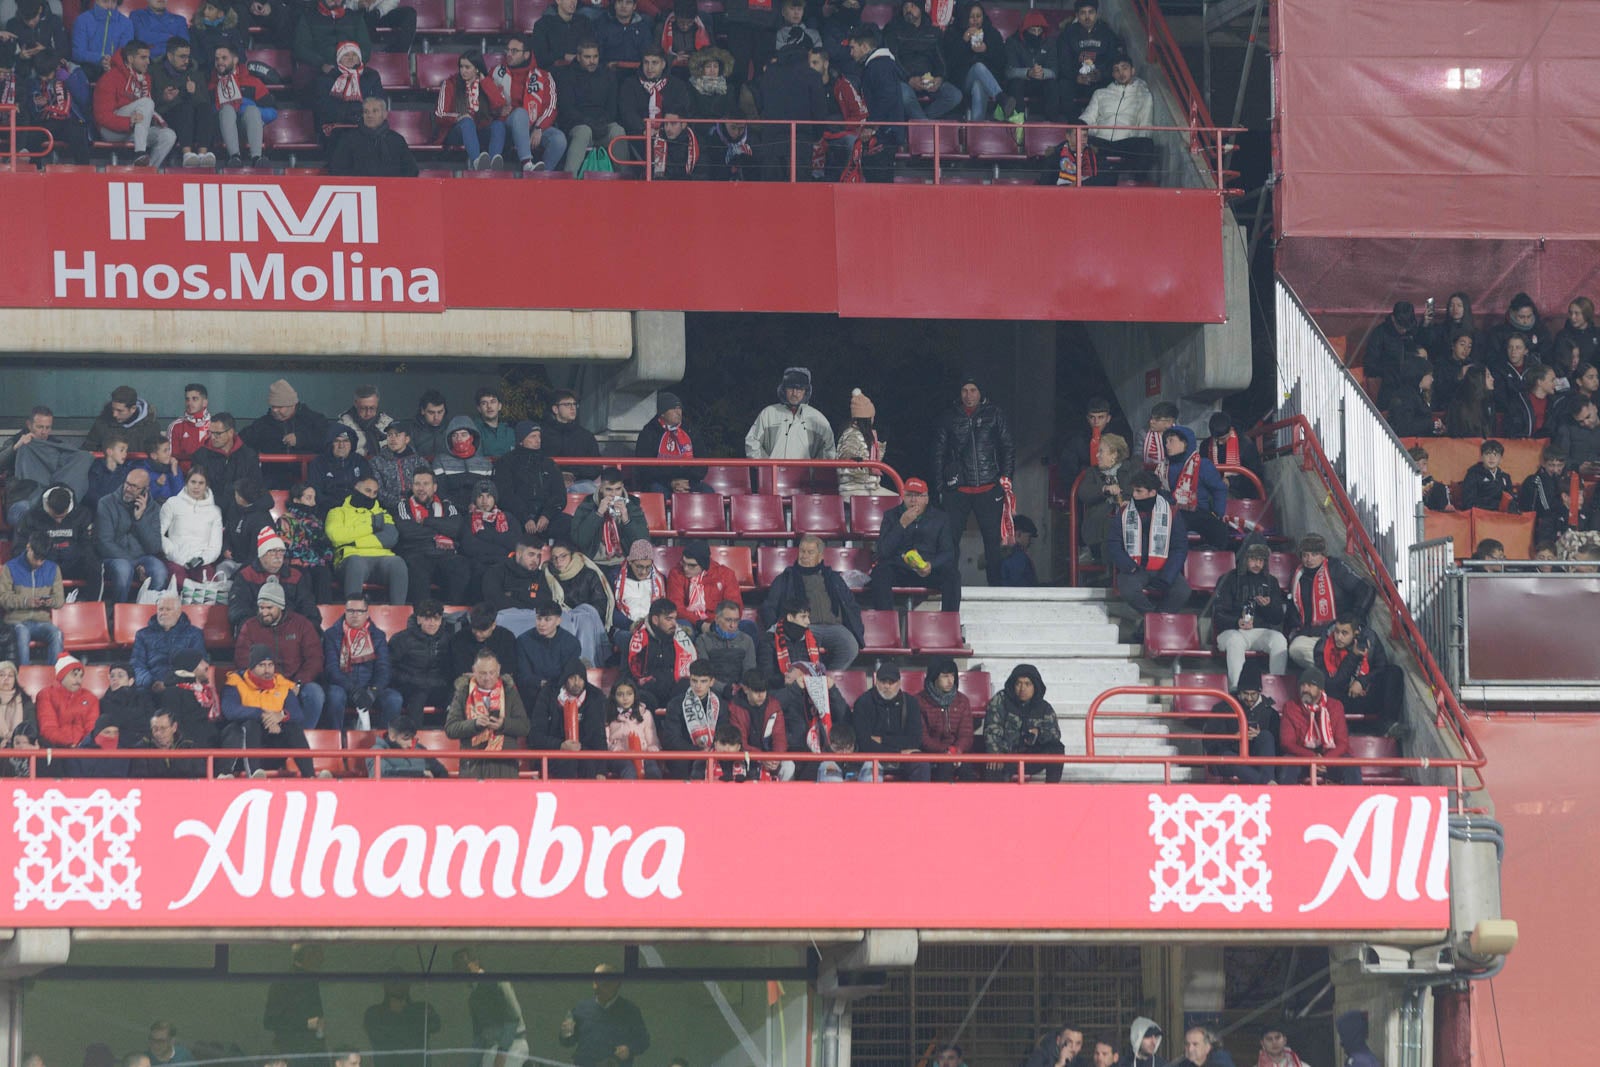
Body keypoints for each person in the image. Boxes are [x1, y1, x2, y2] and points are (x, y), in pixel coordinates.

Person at [932, 376, 1016, 585]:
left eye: (973, 390)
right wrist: (940, 487)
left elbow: (1007, 447)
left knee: (992, 542)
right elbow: (938, 453)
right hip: (957, 489)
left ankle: (995, 587)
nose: (968, 395)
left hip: (989, 487)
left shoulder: (994, 414)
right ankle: (950, 586)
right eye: (964, 391)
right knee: (950, 541)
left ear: (981, 393)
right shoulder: (949, 417)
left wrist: (1005, 478)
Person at [234, 579, 327, 729]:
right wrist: (266, 682)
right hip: (263, 683)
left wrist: (298, 682)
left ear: (280, 606)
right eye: (261, 607)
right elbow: (243, 660)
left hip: (295, 682)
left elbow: (315, 658)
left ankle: (303, 736)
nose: (264, 612)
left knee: (315, 693)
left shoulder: (301, 624)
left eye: (269, 608)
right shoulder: (249, 626)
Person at [761, 534, 864, 669]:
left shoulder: (834, 578)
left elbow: (851, 605)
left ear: (820, 556)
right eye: (802, 551)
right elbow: (769, 606)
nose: (804, 556)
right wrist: (779, 630)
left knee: (850, 646)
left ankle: (828, 679)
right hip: (804, 627)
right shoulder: (786, 578)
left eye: (810, 552)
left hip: (835, 627)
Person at [221, 645, 315, 778]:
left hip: (274, 745)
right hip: (245, 749)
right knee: (250, 724)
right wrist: (263, 715)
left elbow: (298, 714)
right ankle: (254, 775)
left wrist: (281, 716)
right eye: (261, 665)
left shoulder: (282, 685)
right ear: (251, 667)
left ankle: (310, 776)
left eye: (270, 665)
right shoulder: (235, 683)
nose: (267, 670)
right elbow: (230, 711)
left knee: (293, 728)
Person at [868, 477, 961, 608]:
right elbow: (883, 551)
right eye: (909, 495)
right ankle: (887, 623)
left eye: (918, 495)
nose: (913, 500)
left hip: (927, 570)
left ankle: (948, 623)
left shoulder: (940, 518)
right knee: (880, 573)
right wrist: (902, 524)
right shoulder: (891, 516)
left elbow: (948, 553)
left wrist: (931, 565)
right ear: (903, 497)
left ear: (926, 499)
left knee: (952, 575)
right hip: (901, 569)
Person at [1109, 470, 1191, 618]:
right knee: (1128, 589)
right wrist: (1130, 567)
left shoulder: (1171, 513)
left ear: (1152, 492)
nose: (1134, 495)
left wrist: (1168, 576)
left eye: (1139, 491)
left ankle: (1148, 625)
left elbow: (1180, 547)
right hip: (1134, 569)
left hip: (1164, 569)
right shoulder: (1123, 512)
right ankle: (1155, 620)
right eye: (1133, 490)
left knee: (1182, 591)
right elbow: (1114, 544)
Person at [1286, 533, 1374, 669]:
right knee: (1295, 649)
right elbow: (1293, 611)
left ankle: (1334, 674)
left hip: (1339, 633)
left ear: (1323, 555)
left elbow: (1366, 589)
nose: (1309, 559)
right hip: (1313, 636)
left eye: (1314, 554)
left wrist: (1355, 619)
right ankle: (1333, 674)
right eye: (1305, 555)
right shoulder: (1298, 577)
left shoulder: (1336, 568)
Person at [1313, 614, 1408, 738]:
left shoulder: (1370, 640)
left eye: (1344, 633)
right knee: (1329, 692)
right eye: (1336, 632)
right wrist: (1353, 656)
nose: (1338, 637)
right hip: (1340, 699)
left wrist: (1362, 681)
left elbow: (1381, 667)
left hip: (1364, 693)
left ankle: (1388, 724)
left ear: (1356, 633)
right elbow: (1333, 683)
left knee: (1394, 672)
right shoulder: (1322, 648)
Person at [444, 649, 532, 779]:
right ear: (474, 670)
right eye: (482, 673)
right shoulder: (463, 692)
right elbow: (450, 729)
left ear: (499, 669)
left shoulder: (509, 691)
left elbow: (524, 727)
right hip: (473, 764)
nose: (488, 678)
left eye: (492, 672)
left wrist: (503, 724)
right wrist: (475, 724)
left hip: (505, 765)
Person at [1212, 542, 1290, 687]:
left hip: (1259, 631)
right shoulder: (1228, 578)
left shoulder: (1271, 581)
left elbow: (1278, 618)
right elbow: (1218, 615)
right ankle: (1237, 688)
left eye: (1261, 560)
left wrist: (1268, 606)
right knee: (1235, 641)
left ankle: (1277, 686)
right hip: (1232, 631)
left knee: (1279, 640)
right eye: (1253, 559)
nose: (1257, 564)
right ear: (1244, 559)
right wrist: (1237, 622)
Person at [322, 595, 404, 728]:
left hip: (370, 688)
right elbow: (332, 669)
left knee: (394, 699)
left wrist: (373, 691)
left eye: (359, 611)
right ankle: (336, 740)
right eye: (351, 611)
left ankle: (384, 740)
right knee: (335, 696)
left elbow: (383, 669)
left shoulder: (378, 635)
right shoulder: (331, 634)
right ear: (345, 611)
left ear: (367, 613)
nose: (355, 615)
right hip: (343, 687)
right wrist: (354, 690)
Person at [94, 41, 179, 168]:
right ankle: (139, 153)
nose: (148, 62)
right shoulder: (110, 78)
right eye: (143, 58)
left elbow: (146, 111)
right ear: (130, 58)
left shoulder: (145, 79)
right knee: (146, 102)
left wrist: (162, 99)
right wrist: (128, 121)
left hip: (133, 129)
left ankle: (147, 170)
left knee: (169, 135)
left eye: (148, 58)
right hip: (111, 130)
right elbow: (102, 117)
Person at [394, 470, 471, 606]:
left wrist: (425, 521)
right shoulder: (403, 505)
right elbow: (407, 532)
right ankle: (423, 617)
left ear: (434, 487)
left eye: (426, 484)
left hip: (445, 555)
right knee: (415, 568)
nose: (421, 488)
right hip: (417, 554)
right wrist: (440, 530)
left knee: (461, 566)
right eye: (417, 484)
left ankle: (454, 617)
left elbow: (455, 528)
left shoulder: (447, 505)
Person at [326, 475, 408, 604]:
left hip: (382, 559)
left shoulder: (382, 514)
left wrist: (354, 542)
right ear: (356, 488)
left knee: (398, 563)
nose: (371, 496)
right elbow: (336, 537)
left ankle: (398, 615)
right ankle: (353, 611)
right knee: (356, 562)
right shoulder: (337, 512)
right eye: (367, 490)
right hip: (350, 558)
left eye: (375, 492)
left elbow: (390, 538)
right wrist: (371, 526)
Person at [492, 34, 566, 172]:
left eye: (514, 51)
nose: (509, 54)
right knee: (520, 113)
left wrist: (539, 128)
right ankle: (527, 163)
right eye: (507, 50)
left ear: (526, 55)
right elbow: (485, 99)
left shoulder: (543, 76)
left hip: (533, 126)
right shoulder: (496, 72)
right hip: (506, 125)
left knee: (559, 139)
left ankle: (541, 177)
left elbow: (551, 106)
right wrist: (496, 110)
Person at [1203, 661, 1282, 785]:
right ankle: (1267, 784)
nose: (1249, 698)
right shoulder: (1222, 708)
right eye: (1245, 694)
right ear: (1239, 691)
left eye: (1253, 694)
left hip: (1257, 761)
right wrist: (1235, 737)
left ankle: (1264, 781)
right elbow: (1210, 743)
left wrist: (1260, 736)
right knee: (1230, 758)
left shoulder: (1271, 713)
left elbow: (1278, 747)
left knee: (1266, 736)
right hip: (1229, 758)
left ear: (1259, 692)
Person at [96, 467, 167, 603]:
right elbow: (104, 543)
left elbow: (155, 547)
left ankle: (145, 612)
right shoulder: (106, 503)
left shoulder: (154, 509)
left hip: (142, 558)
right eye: (127, 484)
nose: (128, 489)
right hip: (113, 558)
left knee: (160, 571)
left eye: (135, 487)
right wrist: (134, 564)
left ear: (146, 490)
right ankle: (118, 613)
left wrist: (140, 520)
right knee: (124, 569)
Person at [529, 658, 608, 778]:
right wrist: (560, 745)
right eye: (572, 678)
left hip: (584, 754)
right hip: (554, 753)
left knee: (588, 763)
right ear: (565, 679)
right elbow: (536, 736)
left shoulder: (594, 697)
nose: (577, 682)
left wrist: (601, 771)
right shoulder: (548, 694)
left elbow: (599, 737)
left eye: (581, 678)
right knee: (568, 762)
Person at [850, 661, 930, 780]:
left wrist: (882, 740)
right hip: (873, 757)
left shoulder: (911, 703)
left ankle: (920, 799)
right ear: (876, 681)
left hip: (903, 758)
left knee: (922, 764)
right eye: (883, 682)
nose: (887, 686)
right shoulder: (863, 703)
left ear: (899, 683)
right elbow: (864, 744)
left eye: (891, 682)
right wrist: (899, 752)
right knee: (869, 771)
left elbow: (915, 740)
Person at [984, 664, 1062, 782]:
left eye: (1027, 684)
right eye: (1018, 683)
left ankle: (1052, 791)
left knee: (1057, 748)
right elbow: (991, 729)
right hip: (1006, 757)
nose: (1022, 688)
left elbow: (1055, 734)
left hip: (1031, 757)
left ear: (1035, 686)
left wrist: (1039, 734)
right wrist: (995, 753)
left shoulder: (1044, 707)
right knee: (992, 763)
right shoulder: (1001, 700)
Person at [560, 965, 651, 1067]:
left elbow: (643, 1040)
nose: (597, 986)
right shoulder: (581, 1008)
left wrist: (629, 1050)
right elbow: (568, 1042)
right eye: (595, 981)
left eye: (603, 982)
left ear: (616, 983)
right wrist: (565, 1034)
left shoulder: (630, 1011)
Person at [1278, 668, 1357, 784]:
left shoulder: (1335, 706)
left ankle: (1356, 800)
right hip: (1303, 757)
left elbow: (1342, 742)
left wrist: (1325, 760)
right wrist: (1312, 757)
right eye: (1302, 685)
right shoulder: (1291, 707)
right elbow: (1287, 742)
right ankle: (1286, 801)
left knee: (1351, 766)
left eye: (1310, 686)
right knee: (1287, 765)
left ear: (1320, 689)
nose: (1305, 689)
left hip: (1331, 757)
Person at [556, 39, 625, 172]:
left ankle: (625, 178)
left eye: (595, 57)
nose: (592, 61)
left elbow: (612, 108)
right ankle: (569, 180)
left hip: (602, 125)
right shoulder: (566, 75)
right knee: (584, 131)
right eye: (587, 57)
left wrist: (602, 122)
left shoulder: (608, 75)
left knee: (617, 130)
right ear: (578, 57)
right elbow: (567, 109)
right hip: (576, 126)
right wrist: (589, 123)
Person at [883, 0, 959, 120]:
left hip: (928, 79)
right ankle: (924, 125)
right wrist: (909, 79)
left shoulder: (933, 32)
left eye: (912, 6)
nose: (908, 10)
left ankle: (919, 120)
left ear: (921, 8)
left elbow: (940, 59)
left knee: (954, 95)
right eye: (905, 7)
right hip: (904, 80)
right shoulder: (892, 30)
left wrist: (940, 77)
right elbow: (893, 60)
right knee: (904, 95)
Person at [542, 540, 615, 663]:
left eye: (563, 556)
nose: (558, 561)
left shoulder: (589, 574)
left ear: (572, 556)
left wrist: (577, 617)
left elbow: (601, 604)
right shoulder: (548, 576)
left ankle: (587, 664)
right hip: (563, 622)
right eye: (554, 558)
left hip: (587, 621)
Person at [1158, 425, 1230, 549]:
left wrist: (1218, 513)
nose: (1167, 445)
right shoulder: (1162, 468)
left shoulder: (1203, 465)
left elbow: (1219, 489)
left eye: (1171, 441)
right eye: (1166, 442)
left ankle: (1213, 560)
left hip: (1199, 512)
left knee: (1220, 530)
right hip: (1172, 512)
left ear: (1185, 443)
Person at [499, 421, 571, 545]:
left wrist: (546, 515)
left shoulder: (549, 464)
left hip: (545, 518)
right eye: (533, 436)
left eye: (539, 436)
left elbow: (559, 495)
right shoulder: (506, 462)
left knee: (570, 524)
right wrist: (525, 518)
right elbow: (505, 495)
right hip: (518, 518)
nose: (538, 440)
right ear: (521, 440)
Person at [150, 38, 218, 168]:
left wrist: (192, 93)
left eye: (188, 56)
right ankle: (187, 154)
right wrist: (164, 98)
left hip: (192, 119)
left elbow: (204, 102)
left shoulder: (195, 74)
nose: (186, 61)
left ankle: (202, 155)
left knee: (205, 108)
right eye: (182, 57)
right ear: (170, 56)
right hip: (167, 118)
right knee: (184, 108)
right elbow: (151, 103)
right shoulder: (155, 72)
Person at [435, 50, 508, 170]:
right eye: (461, 67)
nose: (463, 71)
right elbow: (439, 114)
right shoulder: (450, 84)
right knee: (467, 122)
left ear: (477, 69)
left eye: (467, 67)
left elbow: (500, 106)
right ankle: (477, 163)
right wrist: (459, 117)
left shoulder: (489, 83)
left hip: (481, 130)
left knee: (499, 125)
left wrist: (485, 82)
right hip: (457, 131)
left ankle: (494, 164)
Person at [17, 51, 93, 165]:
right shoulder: (35, 75)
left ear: (56, 67)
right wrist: (37, 102)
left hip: (71, 119)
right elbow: (30, 105)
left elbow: (84, 100)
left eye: (48, 76)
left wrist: (69, 80)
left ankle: (85, 173)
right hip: (47, 119)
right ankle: (33, 172)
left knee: (78, 134)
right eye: (42, 77)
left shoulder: (74, 72)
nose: (45, 79)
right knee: (33, 134)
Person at [747, 367, 836, 459]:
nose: (794, 393)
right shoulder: (768, 414)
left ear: (806, 391)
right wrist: (766, 466)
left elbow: (829, 449)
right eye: (791, 388)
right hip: (773, 472)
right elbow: (751, 442)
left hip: (804, 473)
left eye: (799, 389)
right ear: (784, 389)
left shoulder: (817, 418)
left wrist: (814, 470)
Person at [0, 534, 63, 665]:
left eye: (42, 559)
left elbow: (60, 600)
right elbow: (3, 598)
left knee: (56, 634)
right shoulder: (10, 567)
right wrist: (25, 601)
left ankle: (55, 679)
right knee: (22, 633)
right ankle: (23, 677)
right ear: (28, 547)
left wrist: (49, 601)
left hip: (41, 621)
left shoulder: (53, 569)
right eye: (36, 558)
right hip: (16, 620)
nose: (39, 563)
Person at [388, 600, 455, 721]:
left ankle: (453, 736)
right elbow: (389, 668)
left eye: (436, 619)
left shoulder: (448, 639)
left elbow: (450, 668)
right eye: (427, 618)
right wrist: (411, 680)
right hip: (410, 687)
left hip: (437, 686)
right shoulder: (401, 639)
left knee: (458, 695)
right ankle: (414, 735)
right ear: (419, 619)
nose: (432, 623)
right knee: (419, 695)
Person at [158, 466, 223, 590]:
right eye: (193, 482)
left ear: (206, 485)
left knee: (209, 588)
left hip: (201, 562)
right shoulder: (173, 503)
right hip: (175, 560)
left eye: (201, 483)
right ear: (187, 483)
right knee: (181, 584)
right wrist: (175, 555)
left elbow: (215, 546)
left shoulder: (214, 512)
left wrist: (201, 559)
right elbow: (158, 534)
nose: (196, 486)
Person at [571, 471, 651, 571]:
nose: (613, 494)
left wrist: (626, 519)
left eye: (618, 489)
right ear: (600, 488)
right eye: (608, 489)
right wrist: (598, 514)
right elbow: (579, 541)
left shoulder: (632, 505)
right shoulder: (587, 505)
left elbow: (642, 542)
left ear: (623, 487)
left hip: (624, 563)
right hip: (594, 563)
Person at [626, 598, 697, 708]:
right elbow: (628, 674)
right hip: (648, 691)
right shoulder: (639, 641)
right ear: (655, 620)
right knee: (642, 697)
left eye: (675, 618)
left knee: (687, 689)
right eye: (669, 619)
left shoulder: (681, 639)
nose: (674, 624)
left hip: (674, 691)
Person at [633, 391, 707, 495]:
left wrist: (688, 481)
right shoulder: (649, 432)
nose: (678, 412)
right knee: (657, 492)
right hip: (660, 482)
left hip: (688, 481)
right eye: (673, 409)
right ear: (662, 413)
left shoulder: (690, 430)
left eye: (679, 408)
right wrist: (670, 482)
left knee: (708, 491)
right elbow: (644, 468)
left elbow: (703, 461)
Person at [943, 1, 1005, 121]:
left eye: (978, 16)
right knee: (978, 67)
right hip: (961, 81)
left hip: (988, 82)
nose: (975, 20)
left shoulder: (992, 33)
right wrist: (963, 41)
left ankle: (976, 130)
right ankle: (1001, 98)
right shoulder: (953, 32)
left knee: (978, 85)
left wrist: (986, 50)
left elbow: (1002, 61)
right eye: (971, 17)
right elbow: (948, 63)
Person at [330, 94, 420, 176]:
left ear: (384, 114)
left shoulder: (397, 140)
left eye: (375, 111)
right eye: (366, 112)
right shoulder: (349, 139)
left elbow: (411, 170)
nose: (370, 115)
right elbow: (337, 169)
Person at [242, 380, 331, 463]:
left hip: (309, 473)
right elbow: (242, 442)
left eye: (280, 407)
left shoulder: (313, 420)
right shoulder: (262, 425)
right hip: (272, 475)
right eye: (273, 406)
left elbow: (329, 440)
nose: (275, 410)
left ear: (292, 405)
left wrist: (301, 439)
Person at [263, 944, 327, 1058]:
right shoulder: (283, 983)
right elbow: (270, 1021)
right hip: (293, 1052)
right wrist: (305, 1024)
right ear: (308, 956)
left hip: (312, 1052)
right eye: (318, 954)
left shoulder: (311, 982)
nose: (322, 959)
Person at [131, 593, 205, 690]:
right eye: (160, 609)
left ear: (178, 612)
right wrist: (152, 683)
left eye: (168, 609)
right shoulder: (143, 634)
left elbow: (198, 665)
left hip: (181, 686)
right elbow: (137, 665)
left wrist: (172, 683)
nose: (163, 613)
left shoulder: (194, 634)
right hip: (151, 686)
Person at [916, 656, 973, 780]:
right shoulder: (919, 701)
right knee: (944, 769)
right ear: (934, 677)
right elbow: (923, 738)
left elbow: (966, 734)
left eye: (952, 676)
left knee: (968, 771)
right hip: (932, 755)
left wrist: (956, 751)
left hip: (957, 754)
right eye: (945, 676)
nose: (950, 681)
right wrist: (945, 752)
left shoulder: (962, 701)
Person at [481, 537, 554, 635]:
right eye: (531, 554)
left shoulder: (540, 575)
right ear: (519, 554)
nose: (536, 560)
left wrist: (515, 594)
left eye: (538, 556)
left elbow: (545, 601)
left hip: (534, 623)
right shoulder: (497, 571)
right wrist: (528, 602)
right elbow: (495, 600)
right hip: (504, 625)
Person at [667, 541, 742, 633]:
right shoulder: (676, 573)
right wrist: (700, 624)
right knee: (684, 630)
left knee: (748, 627)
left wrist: (716, 624)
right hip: (689, 621)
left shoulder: (725, 575)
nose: (685, 568)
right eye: (684, 563)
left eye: (692, 565)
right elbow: (676, 607)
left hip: (717, 621)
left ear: (703, 564)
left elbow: (733, 607)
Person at [192, 413, 262, 511]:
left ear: (231, 432)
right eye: (211, 432)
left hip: (241, 510)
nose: (213, 437)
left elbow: (255, 485)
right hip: (209, 509)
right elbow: (197, 488)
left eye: (218, 433)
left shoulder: (248, 456)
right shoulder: (200, 456)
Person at [279, 483, 337, 603]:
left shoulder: (316, 521)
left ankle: (324, 615)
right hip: (295, 564)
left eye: (314, 498)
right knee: (303, 576)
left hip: (316, 563)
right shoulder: (285, 520)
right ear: (296, 500)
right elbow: (285, 547)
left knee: (324, 573)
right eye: (308, 498)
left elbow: (325, 547)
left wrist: (326, 553)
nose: (313, 503)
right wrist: (311, 551)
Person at [362, 982, 443, 1065]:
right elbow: (379, 1038)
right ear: (384, 986)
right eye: (393, 982)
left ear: (408, 985)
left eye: (402, 981)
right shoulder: (374, 1013)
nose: (398, 985)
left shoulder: (421, 1008)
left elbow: (435, 1025)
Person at [619, 45, 690, 138]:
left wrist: (665, 131)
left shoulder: (677, 85)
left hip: (670, 136)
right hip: (639, 135)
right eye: (646, 63)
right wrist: (644, 129)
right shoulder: (630, 84)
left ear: (663, 64)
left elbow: (682, 111)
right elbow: (627, 113)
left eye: (654, 63)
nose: (649, 68)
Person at [1520, 444, 1585, 542]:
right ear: (1543, 463)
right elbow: (1546, 508)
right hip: (1543, 523)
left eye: (1559, 466)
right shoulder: (1536, 480)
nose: (1555, 470)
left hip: (1563, 518)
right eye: (1551, 465)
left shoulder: (1566, 478)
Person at [541, 390, 603, 493]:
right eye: (567, 404)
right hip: (549, 481)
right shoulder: (542, 434)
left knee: (591, 489)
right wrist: (559, 475)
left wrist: (574, 474)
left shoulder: (586, 436)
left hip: (580, 482)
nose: (572, 408)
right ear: (555, 409)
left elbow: (596, 467)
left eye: (574, 404)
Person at [835, 389, 894, 497]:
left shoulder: (868, 435)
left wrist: (880, 446)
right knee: (894, 502)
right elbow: (846, 453)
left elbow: (874, 464)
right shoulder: (851, 433)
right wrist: (854, 460)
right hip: (854, 488)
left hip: (869, 487)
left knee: (897, 499)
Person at [514, 602, 580, 696]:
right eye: (539, 619)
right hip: (532, 692)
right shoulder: (523, 641)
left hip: (562, 692)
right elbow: (523, 675)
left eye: (547, 619)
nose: (541, 624)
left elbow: (569, 674)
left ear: (558, 621)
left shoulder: (571, 643)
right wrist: (542, 684)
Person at [606, 678, 663, 779]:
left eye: (629, 694)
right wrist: (615, 749)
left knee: (653, 770)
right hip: (619, 756)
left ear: (634, 695)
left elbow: (652, 738)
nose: (625, 698)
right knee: (629, 770)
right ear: (614, 696)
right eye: (620, 694)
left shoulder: (645, 714)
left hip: (643, 753)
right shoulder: (608, 714)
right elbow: (605, 741)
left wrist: (652, 748)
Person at [435, 420, 497, 512]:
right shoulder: (440, 461)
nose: (459, 439)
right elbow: (441, 492)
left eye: (464, 435)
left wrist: (476, 506)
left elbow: (490, 493)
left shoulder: (485, 463)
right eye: (454, 435)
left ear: (472, 438)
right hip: (451, 511)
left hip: (480, 510)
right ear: (449, 439)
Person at [1003, 11, 1055, 119]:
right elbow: (1009, 71)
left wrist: (1042, 73)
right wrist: (1028, 72)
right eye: (1033, 30)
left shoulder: (1049, 42)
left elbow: (1055, 70)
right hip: (1022, 83)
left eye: (1039, 30)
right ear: (1025, 30)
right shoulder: (1013, 42)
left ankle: (1051, 124)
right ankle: (1019, 125)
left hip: (1041, 81)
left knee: (1053, 85)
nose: (1036, 34)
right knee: (1015, 84)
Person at [84, 385, 163, 456]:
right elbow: (87, 451)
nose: (114, 414)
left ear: (133, 409)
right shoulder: (102, 423)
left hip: (140, 469)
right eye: (113, 409)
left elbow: (157, 457)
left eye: (120, 411)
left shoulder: (151, 426)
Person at [694, 599, 755, 690]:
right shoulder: (703, 640)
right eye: (728, 620)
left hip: (741, 691)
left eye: (736, 620)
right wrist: (725, 689)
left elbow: (750, 672)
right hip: (713, 690)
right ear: (717, 619)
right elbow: (704, 674)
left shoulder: (747, 640)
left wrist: (742, 688)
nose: (733, 625)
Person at [453, 603, 521, 683]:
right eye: (475, 629)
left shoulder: (506, 637)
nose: (478, 634)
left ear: (493, 625)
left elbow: (509, 668)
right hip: (469, 684)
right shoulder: (460, 638)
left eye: (482, 631)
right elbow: (460, 670)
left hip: (500, 683)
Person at [372, 421, 427, 513]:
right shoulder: (376, 462)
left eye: (397, 435)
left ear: (407, 439)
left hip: (418, 507)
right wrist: (401, 503)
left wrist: (414, 503)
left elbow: (427, 486)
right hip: (389, 510)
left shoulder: (419, 461)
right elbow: (378, 491)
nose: (393, 439)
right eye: (389, 435)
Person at [72, 0, 134, 75]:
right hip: (86, 69)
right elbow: (77, 53)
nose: (109, 6)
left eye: (114, 2)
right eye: (105, 1)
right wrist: (100, 59)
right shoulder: (82, 20)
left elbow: (124, 53)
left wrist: (112, 62)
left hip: (115, 70)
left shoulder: (126, 23)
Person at [1460, 439, 1518, 512]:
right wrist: (1495, 505)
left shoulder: (1505, 477)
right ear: (1481, 457)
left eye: (1495, 455)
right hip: (1480, 516)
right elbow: (1468, 503)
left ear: (1501, 459)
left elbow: (1510, 501)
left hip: (1502, 516)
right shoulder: (1473, 474)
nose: (1492, 458)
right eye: (1488, 454)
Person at [1553, 397, 1600, 476]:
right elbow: (1559, 457)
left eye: (1588, 417)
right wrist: (1577, 468)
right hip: (1575, 475)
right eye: (1580, 421)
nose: (1586, 423)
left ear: (1595, 408)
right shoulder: (1567, 427)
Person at [0, 661, 36, 746]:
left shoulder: (25, 701)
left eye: (10, 675)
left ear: (15, 680)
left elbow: (31, 727)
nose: (6, 678)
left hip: (20, 746)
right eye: (1, 675)